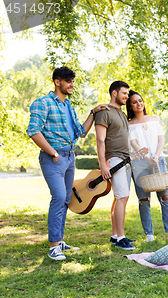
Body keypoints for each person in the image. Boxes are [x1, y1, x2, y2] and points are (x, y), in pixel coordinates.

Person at [27, 66, 108, 260]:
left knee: (65, 199)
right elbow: (33, 131)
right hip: (53, 158)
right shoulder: (43, 103)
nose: (72, 85)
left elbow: (80, 131)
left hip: (70, 157)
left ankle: (59, 240)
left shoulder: (68, 105)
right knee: (59, 196)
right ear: (57, 82)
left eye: (73, 81)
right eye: (69, 81)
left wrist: (93, 113)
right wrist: (53, 152)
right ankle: (53, 246)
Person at [126, 90, 168, 242]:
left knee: (165, 196)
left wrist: (156, 156)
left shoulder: (155, 119)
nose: (138, 104)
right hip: (139, 163)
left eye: (140, 100)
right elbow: (134, 143)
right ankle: (149, 234)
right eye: (134, 102)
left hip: (158, 160)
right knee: (144, 200)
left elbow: (160, 139)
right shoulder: (129, 124)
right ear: (130, 106)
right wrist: (146, 158)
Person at [94, 81, 136, 250]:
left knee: (121, 197)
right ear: (114, 93)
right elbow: (100, 140)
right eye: (124, 93)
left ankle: (114, 235)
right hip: (114, 159)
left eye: (127, 94)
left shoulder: (122, 114)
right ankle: (121, 238)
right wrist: (103, 164)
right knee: (121, 197)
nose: (127, 96)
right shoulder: (105, 112)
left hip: (125, 160)